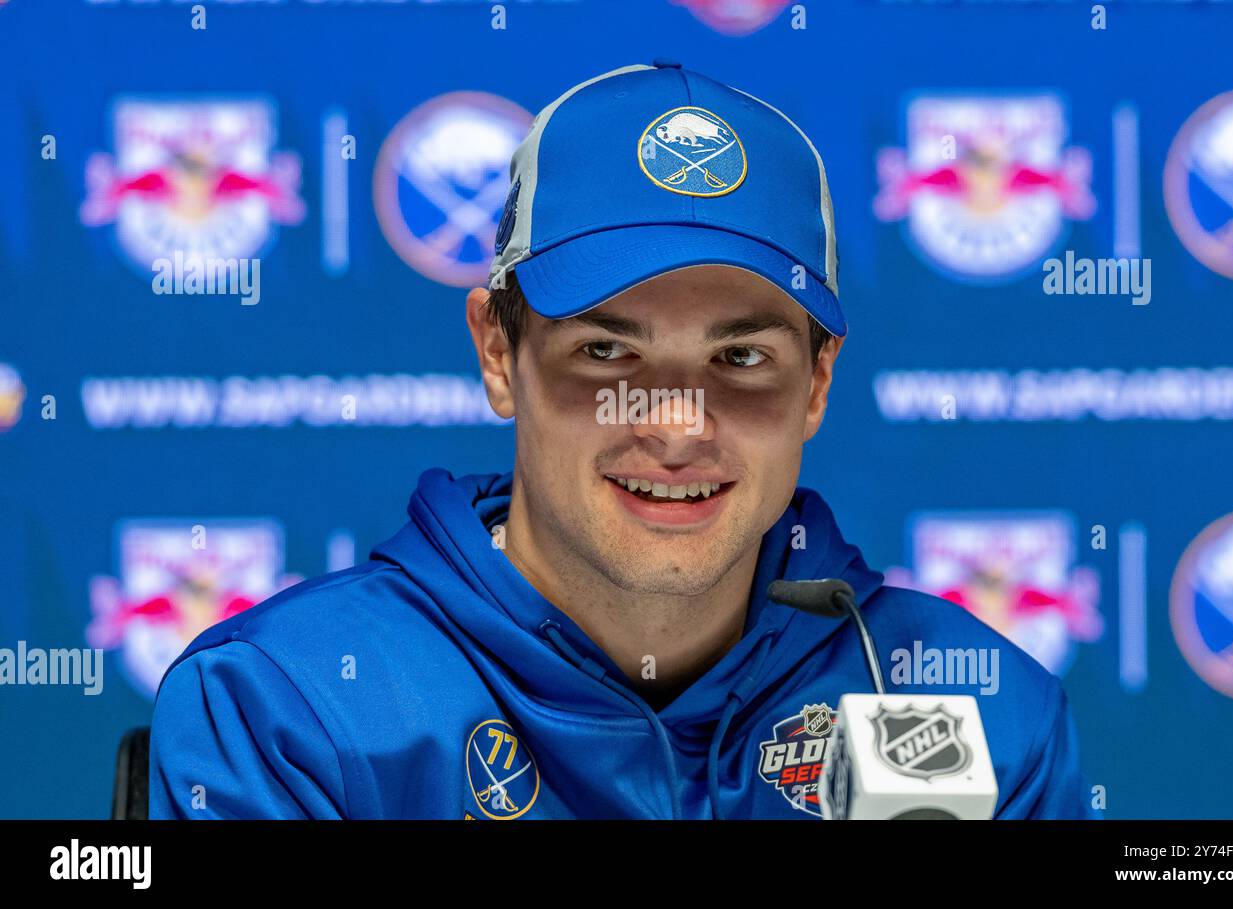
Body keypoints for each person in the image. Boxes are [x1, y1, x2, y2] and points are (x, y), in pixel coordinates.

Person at [150, 61, 1094, 819]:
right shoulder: (290, 708)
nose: (676, 424)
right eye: (607, 351)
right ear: (497, 351)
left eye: (740, 356)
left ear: (817, 382)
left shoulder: (984, 711)